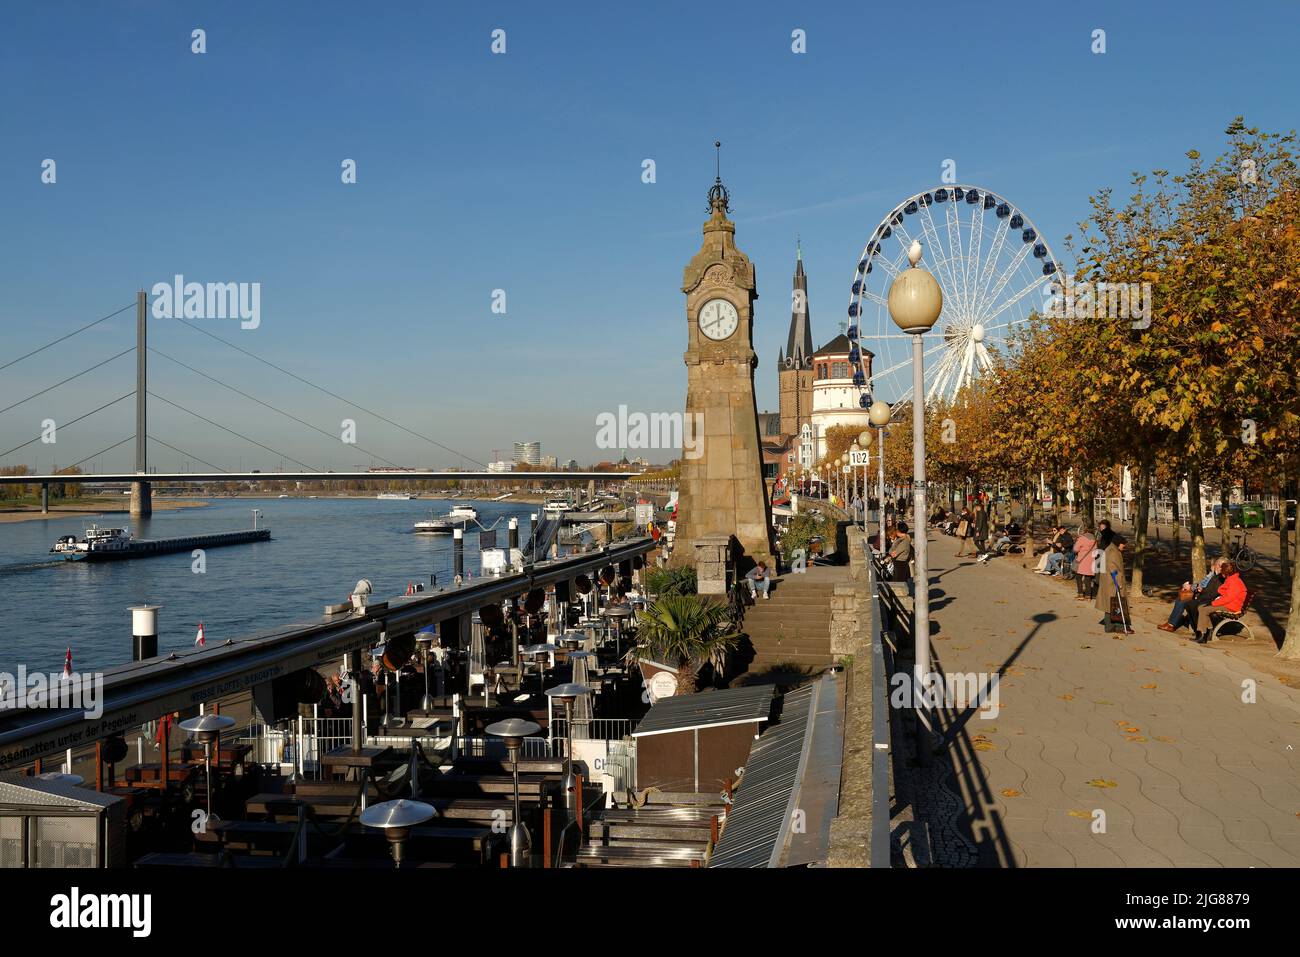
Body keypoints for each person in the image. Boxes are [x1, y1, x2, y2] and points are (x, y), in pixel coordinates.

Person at [1159, 557, 1223, 634]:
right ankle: (1171, 623)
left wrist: (1197, 589)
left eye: (1219, 565)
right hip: (1201, 595)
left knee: (1183, 601)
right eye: (1216, 565)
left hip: (1206, 598)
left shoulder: (1219, 578)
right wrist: (1193, 587)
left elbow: (1211, 591)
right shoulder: (1213, 575)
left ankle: (1172, 624)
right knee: (1180, 599)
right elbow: (1202, 584)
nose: (1216, 567)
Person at [1194, 559, 1246, 643]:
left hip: (1232, 606)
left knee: (1204, 609)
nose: (1221, 574)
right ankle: (1209, 630)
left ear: (1227, 573)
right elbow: (1224, 594)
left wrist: (1213, 603)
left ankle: (1202, 635)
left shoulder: (1234, 582)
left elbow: (1228, 598)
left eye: (1222, 572)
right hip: (1229, 604)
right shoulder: (1231, 579)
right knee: (1201, 607)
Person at [1094, 531, 1132, 634]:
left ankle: (1111, 626)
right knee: (1116, 604)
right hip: (1112, 583)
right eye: (1123, 544)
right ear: (1118, 543)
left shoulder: (1111, 549)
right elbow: (1113, 568)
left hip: (1109, 582)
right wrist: (1119, 582)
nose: (1124, 546)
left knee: (1110, 604)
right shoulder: (1113, 552)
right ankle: (1118, 626)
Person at [1073, 527, 1097, 599]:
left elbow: (1075, 549)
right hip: (1091, 561)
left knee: (1078, 576)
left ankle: (1080, 594)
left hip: (1081, 560)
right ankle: (1088, 595)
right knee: (1088, 578)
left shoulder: (1082, 538)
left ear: (1085, 531)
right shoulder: (1095, 540)